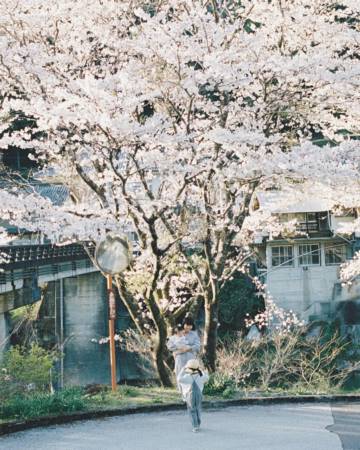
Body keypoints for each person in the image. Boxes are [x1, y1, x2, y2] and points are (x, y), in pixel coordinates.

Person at [177, 359, 209, 433]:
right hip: (199, 395)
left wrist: (182, 369)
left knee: (192, 410)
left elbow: (179, 379)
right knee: (198, 408)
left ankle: (195, 426)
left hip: (189, 395)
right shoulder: (201, 376)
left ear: (188, 368)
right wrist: (203, 371)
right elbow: (207, 377)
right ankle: (198, 422)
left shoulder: (187, 377)